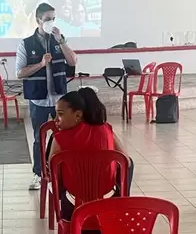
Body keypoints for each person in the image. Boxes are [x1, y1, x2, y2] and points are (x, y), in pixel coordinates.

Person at [16, 2, 77, 190]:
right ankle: (38, 173)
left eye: (54, 19)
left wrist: (62, 41)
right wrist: (41, 64)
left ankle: (66, 173)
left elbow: (73, 61)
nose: (51, 22)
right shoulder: (26, 43)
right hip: (39, 99)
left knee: (65, 136)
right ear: (38, 20)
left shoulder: (59, 40)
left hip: (59, 99)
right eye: (48, 19)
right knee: (39, 137)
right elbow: (20, 72)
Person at [48, 88, 134, 221]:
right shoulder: (106, 129)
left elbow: (54, 175)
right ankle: (123, 203)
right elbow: (125, 161)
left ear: (78, 115)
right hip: (106, 200)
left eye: (60, 114)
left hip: (74, 205)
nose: (56, 119)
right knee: (129, 163)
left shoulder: (59, 139)